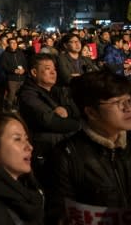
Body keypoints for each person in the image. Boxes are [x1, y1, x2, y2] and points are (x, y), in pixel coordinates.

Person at [46, 70, 131, 224]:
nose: (128, 108)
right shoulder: (66, 156)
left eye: (129, 100)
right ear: (91, 112)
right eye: (117, 102)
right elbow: (59, 214)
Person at [16, 54, 80, 182]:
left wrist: (67, 110)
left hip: (61, 148)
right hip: (45, 152)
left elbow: (79, 108)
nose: (53, 72)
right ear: (34, 72)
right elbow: (52, 122)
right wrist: (81, 124)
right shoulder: (28, 95)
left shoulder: (57, 91)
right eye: (47, 68)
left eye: (54, 69)